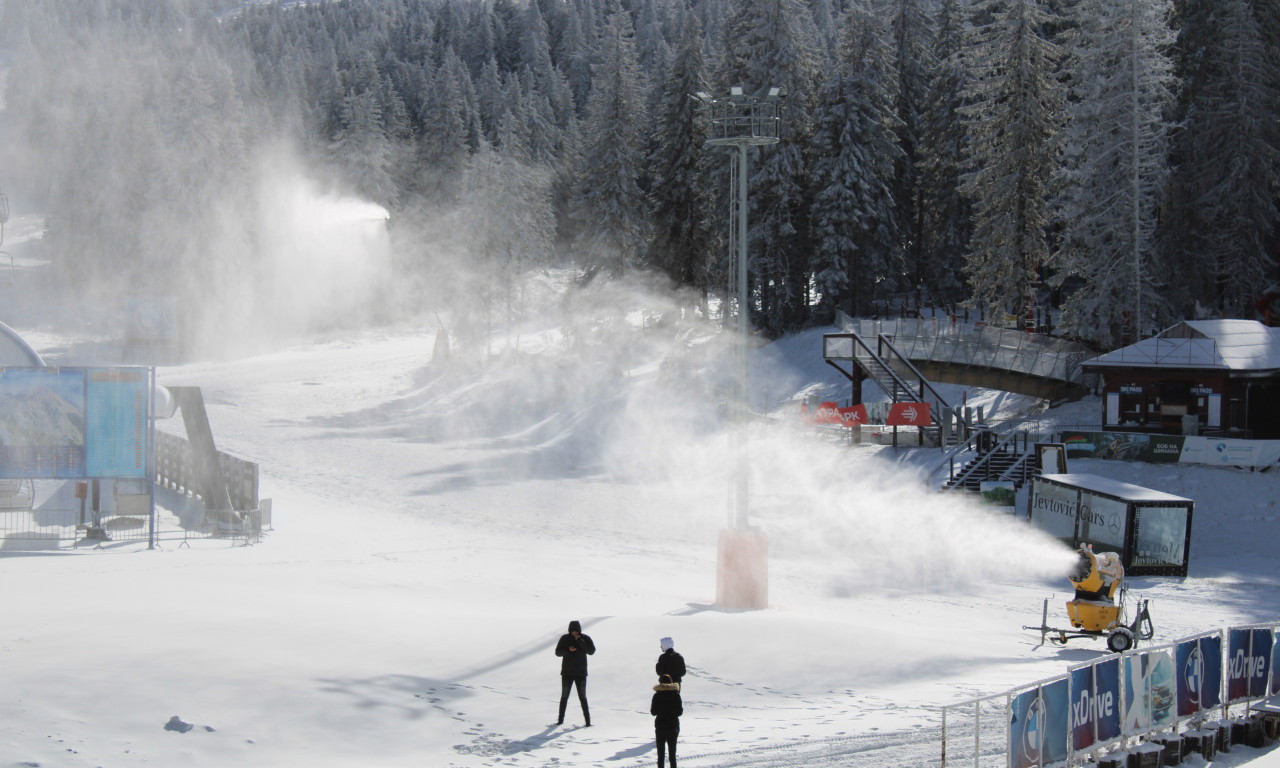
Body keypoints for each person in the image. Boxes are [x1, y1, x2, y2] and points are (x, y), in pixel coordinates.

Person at [555, 619, 595, 726]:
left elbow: (591, 651)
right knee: (564, 696)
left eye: (576, 631)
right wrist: (568, 650)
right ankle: (560, 720)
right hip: (566, 673)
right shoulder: (564, 638)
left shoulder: (585, 638)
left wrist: (580, 641)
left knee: (582, 697)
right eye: (572, 631)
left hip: (581, 673)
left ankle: (588, 722)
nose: (574, 633)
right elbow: (557, 652)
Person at [650, 673, 682, 768]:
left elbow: (653, 712)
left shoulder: (657, 696)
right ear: (671, 682)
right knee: (672, 755)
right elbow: (679, 712)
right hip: (673, 726)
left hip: (660, 726)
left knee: (660, 755)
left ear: (660, 682)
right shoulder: (676, 695)